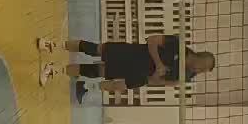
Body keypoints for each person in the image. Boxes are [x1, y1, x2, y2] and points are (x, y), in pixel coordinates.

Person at [35, 33, 215, 94]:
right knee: (95, 49)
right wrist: (159, 63)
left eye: (203, 71)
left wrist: (155, 75)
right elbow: (152, 40)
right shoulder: (178, 45)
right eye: (202, 67)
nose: (199, 71)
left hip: (136, 73)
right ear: (199, 57)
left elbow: (160, 83)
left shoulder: (186, 76)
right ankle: (52, 44)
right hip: (133, 53)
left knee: (96, 71)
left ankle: (54, 70)